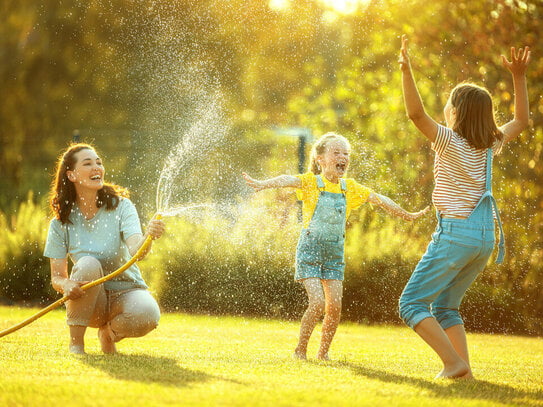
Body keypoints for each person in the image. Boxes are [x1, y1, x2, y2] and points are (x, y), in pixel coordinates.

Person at [398, 35, 530, 378]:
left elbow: (415, 113)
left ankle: (452, 363)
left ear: (454, 112)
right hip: (483, 241)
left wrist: (406, 70)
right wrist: (518, 76)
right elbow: (521, 121)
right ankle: (464, 371)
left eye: (448, 104)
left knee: (411, 303)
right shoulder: (490, 144)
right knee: (446, 306)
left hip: (455, 235)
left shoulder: (449, 140)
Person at [243, 132, 429, 360]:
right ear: (320, 159)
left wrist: (406, 214)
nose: (343, 157)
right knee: (318, 302)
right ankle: (300, 351)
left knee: (335, 307)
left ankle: (323, 354)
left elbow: (380, 198)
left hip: (334, 255)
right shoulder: (311, 183)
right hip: (309, 252)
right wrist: (263, 184)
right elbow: (286, 179)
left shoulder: (349, 188)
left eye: (346, 153)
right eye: (336, 152)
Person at [44, 143, 166, 355]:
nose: (97, 168)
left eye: (99, 163)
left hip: (127, 292)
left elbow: (138, 252)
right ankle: (76, 345)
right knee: (88, 264)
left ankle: (108, 335)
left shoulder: (122, 206)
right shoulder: (60, 223)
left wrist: (149, 236)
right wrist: (67, 285)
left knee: (148, 314)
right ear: (71, 175)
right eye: (88, 163)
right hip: (90, 303)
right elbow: (57, 278)